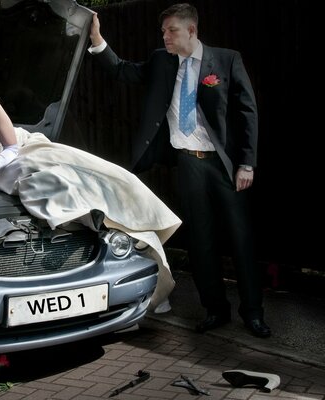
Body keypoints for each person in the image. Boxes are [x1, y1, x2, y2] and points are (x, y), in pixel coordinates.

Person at [0, 67, 182, 310]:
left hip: (19, 150)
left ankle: (121, 206)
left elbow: (11, 148)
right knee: (43, 181)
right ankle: (89, 216)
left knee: (87, 168)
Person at [88, 3, 270, 337]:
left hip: (226, 167)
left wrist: (247, 163)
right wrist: (98, 41)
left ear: (191, 30)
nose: (165, 36)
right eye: (163, 31)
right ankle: (215, 310)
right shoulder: (161, 60)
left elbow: (248, 113)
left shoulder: (226, 60)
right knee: (200, 240)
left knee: (241, 239)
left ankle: (253, 313)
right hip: (188, 163)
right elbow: (123, 71)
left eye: (171, 30)